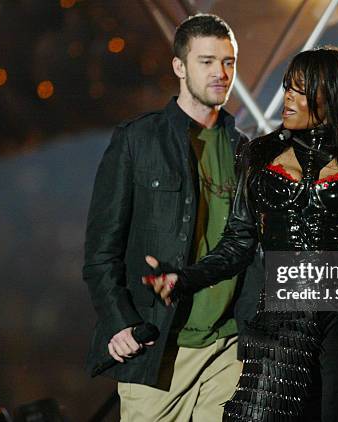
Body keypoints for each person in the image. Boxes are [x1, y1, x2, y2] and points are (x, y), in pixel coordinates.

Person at [144, 46, 338, 421]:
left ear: (333, 96)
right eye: (288, 86)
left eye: (301, 90)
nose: (288, 97)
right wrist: (184, 279)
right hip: (281, 319)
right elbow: (238, 243)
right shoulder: (258, 155)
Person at [82, 13, 264, 422]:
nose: (221, 72)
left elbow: (250, 248)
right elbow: (100, 252)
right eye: (206, 61)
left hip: (227, 351)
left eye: (228, 61)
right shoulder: (137, 141)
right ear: (179, 66)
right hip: (159, 351)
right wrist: (121, 323)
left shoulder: (246, 152)